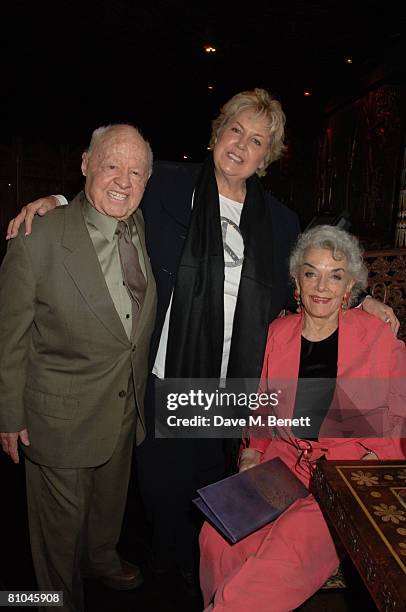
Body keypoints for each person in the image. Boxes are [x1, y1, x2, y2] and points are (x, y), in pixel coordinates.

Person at [5, 89, 398, 591]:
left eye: (256, 140)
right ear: (217, 134)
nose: (241, 145)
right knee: (162, 493)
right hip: (168, 377)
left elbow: (312, 275)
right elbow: (109, 190)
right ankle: (167, 572)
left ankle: (201, 580)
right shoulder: (168, 184)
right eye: (234, 130)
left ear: (266, 157)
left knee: (217, 494)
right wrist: (56, 201)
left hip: (235, 388)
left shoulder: (280, 221)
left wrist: (362, 299)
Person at [199, 225, 406, 612]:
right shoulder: (278, 333)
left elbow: (399, 415)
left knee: (277, 562)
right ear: (297, 281)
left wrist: (373, 464)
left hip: (342, 479)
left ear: (351, 288)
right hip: (283, 465)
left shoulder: (377, 338)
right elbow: (262, 408)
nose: (322, 286)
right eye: (311, 272)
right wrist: (251, 454)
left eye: (336, 275)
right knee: (216, 537)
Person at [0, 124, 157, 611]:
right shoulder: (36, 239)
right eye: (111, 165)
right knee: (57, 533)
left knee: (109, 506)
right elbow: (9, 339)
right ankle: (54, 598)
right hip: (59, 417)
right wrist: (8, 416)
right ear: (86, 163)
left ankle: (102, 558)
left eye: (136, 172)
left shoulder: (139, 224)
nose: (123, 181)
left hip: (122, 406)